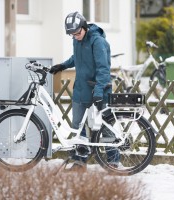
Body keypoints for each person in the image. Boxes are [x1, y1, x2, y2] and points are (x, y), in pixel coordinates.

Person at [50, 11, 120, 171]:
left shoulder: (98, 42)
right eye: (72, 35)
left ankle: (114, 161)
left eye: (77, 33)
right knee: (77, 127)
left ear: (84, 27)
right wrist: (63, 65)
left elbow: (103, 69)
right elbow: (77, 57)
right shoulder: (77, 40)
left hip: (99, 89)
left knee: (107, 125)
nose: (75, 36)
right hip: (81, 89)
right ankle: (80, 162)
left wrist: (99, 90)